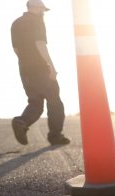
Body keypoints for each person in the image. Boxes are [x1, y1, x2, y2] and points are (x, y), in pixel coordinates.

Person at [11, 0, 70, 145]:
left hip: (25, 70)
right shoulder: (36, 22)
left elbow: (16, 50)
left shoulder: (16, 23)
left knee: (35, 103)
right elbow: (40, 44)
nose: (43, 12)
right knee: (55, 102)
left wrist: (26, 64)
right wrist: (50, 66)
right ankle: (55, 136)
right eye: (42, 9)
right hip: (41, 68)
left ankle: (22, 121)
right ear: (35, 8)